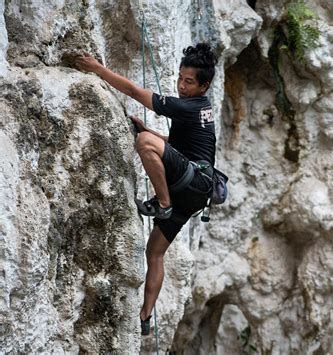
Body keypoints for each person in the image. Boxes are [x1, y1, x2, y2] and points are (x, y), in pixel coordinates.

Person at [76, 43, 218, 335]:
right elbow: (180, 144)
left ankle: (162, 203)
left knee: (144, 144)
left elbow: (134, 93)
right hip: (195, 192)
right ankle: (145, 316)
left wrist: (97, 69)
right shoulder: (200, 108)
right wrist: (151, 131)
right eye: (180, 78)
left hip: (192, 182)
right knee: (154, 253)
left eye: (188, 82)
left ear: (204, 86)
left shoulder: (189, 105)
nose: (181, 85)